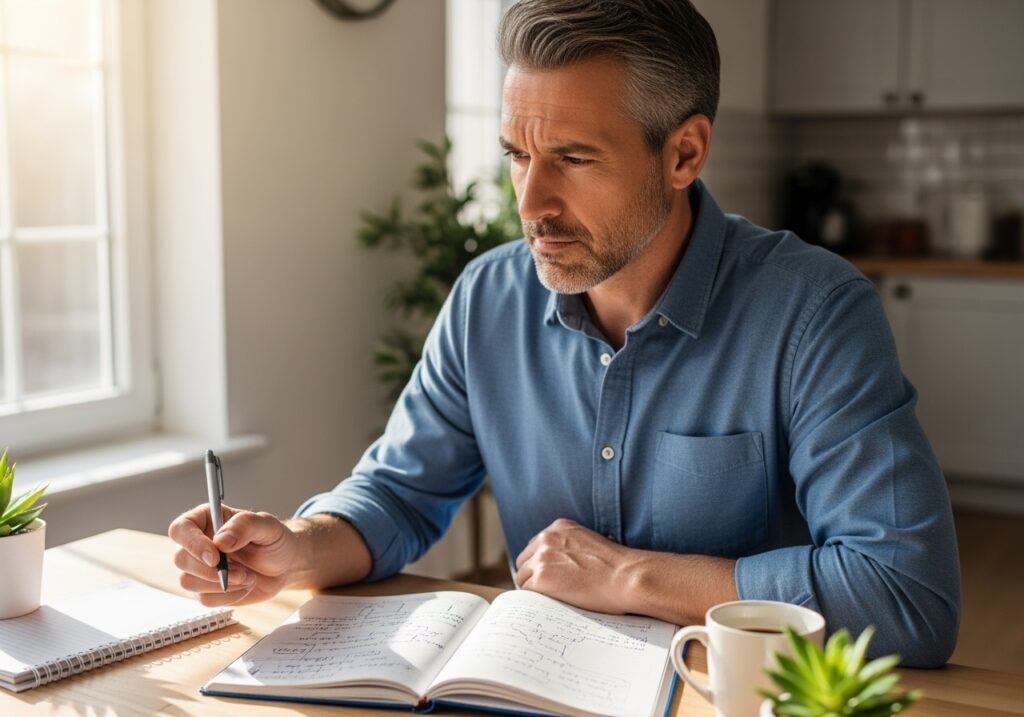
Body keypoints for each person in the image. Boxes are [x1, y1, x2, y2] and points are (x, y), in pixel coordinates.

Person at [168, 0, 960, 667]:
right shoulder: (487, 297)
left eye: (574, 158)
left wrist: (636, 578)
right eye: (518, 154)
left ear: (684, 152)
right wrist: (299, 547)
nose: (531, 201)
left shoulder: (814, 312)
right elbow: (399, 493)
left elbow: (906, 592)